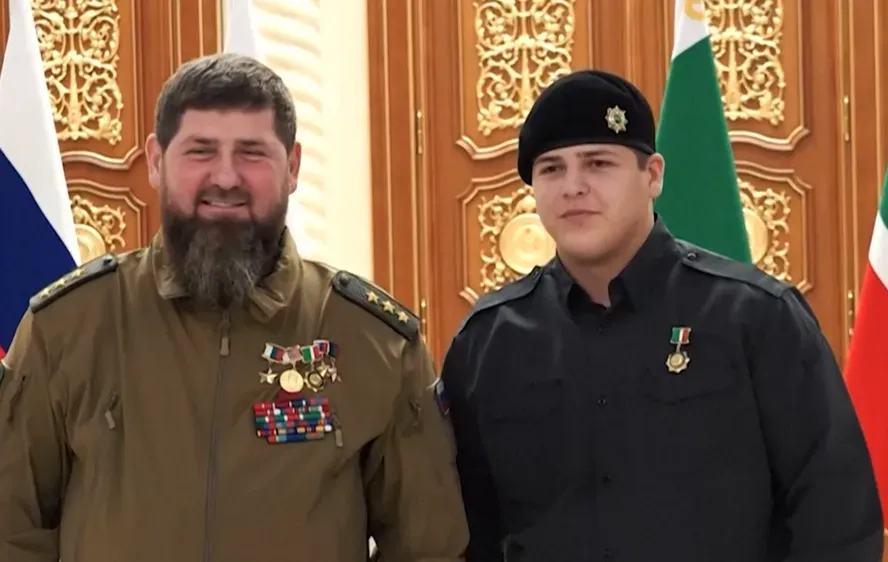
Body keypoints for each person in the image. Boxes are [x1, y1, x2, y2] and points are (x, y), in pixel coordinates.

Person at [0, 53, 468, 562]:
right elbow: (11, 529)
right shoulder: (67, 327)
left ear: (292, 167)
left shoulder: (374, 342)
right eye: (200, 151)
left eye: (252, 153)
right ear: (156, 161)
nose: (225, 177)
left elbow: (429, 547)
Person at [440, 69, 883, 562]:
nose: (573, 187)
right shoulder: (488, 343)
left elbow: (836, 516)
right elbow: (463, 530)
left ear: (652, 175)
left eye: (598, 163)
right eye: (551, 169)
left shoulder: (755, 318)